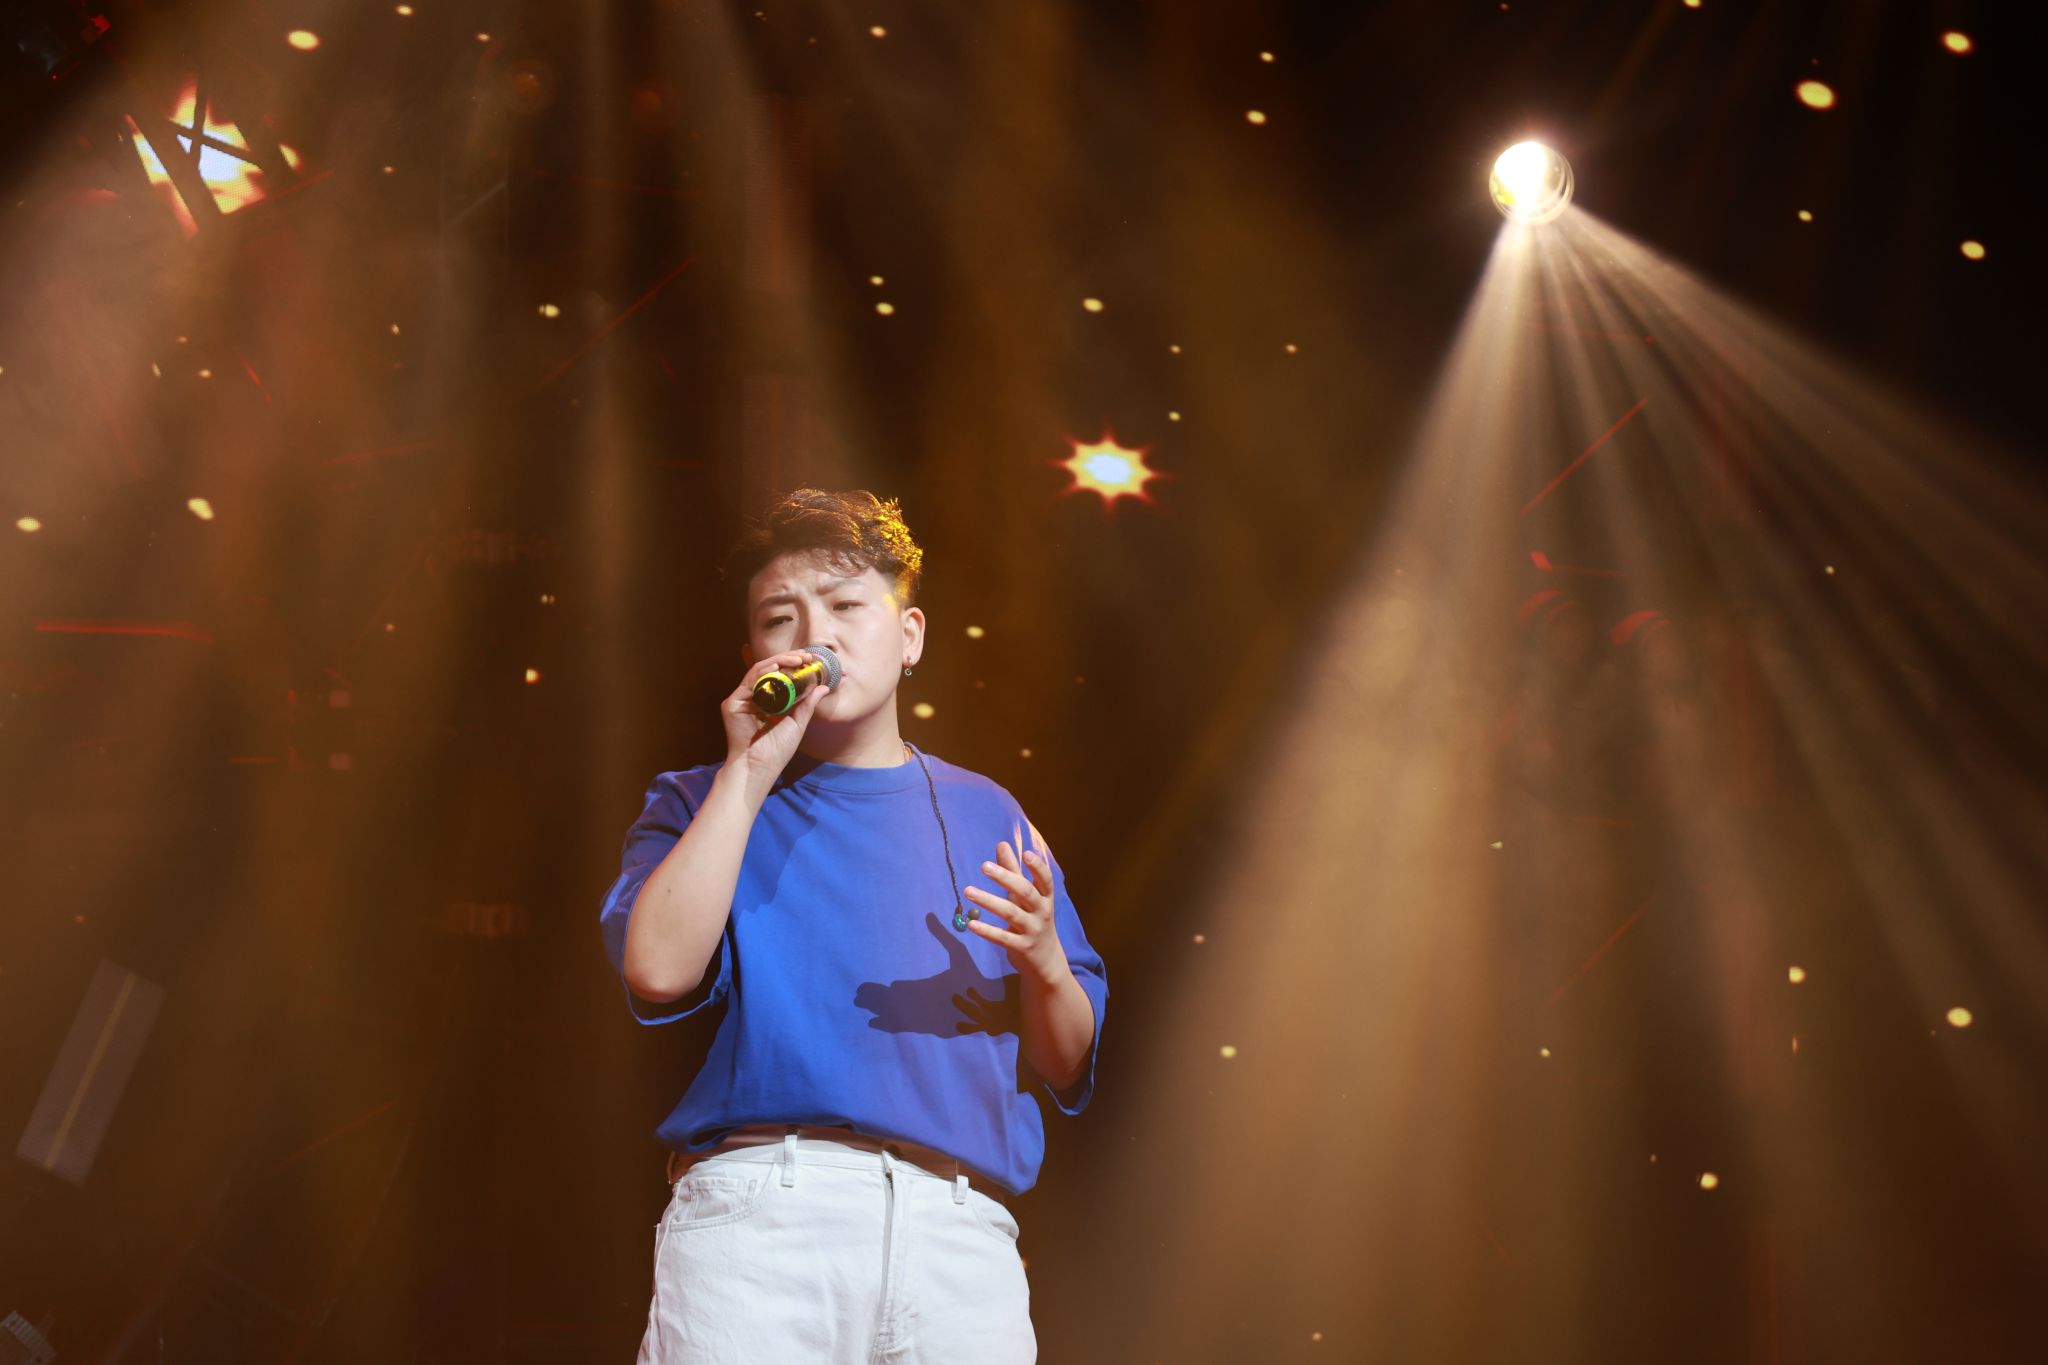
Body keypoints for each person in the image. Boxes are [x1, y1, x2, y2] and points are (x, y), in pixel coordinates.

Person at [599, 488, 1108, 1363]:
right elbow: (656, 967)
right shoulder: (697, 801)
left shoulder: (989, 812)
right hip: (764, 1219)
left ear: (909, 637)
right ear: (754, 655)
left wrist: (1044, 962)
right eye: (779, 617)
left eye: (844, 606)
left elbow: (1066, 1059)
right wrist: (747, 773)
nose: (814, 636)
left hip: (959, 1236)